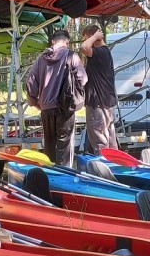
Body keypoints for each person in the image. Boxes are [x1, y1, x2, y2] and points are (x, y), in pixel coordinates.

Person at [24, 29, 86, 168]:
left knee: (49, 146)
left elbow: (30, 83)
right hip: (65, 108)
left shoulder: (41, 58)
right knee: (65, 147)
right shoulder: (72, 56)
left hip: (46, 109)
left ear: (53, 42)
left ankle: (49, 175)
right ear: (67, 42)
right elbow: (83, 79)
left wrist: (35, 102)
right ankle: (64, 176)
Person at [78, 24, 118, 154]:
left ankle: (102, 165)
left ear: (93, 37)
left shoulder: (100, 52)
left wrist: (94, 36)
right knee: (110, 139)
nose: (87, 41)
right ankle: (114, 164)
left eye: (87, 38)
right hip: (106, 102)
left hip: (98, 103)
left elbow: (84, 48)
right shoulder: (105, 52)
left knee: (100, 140)